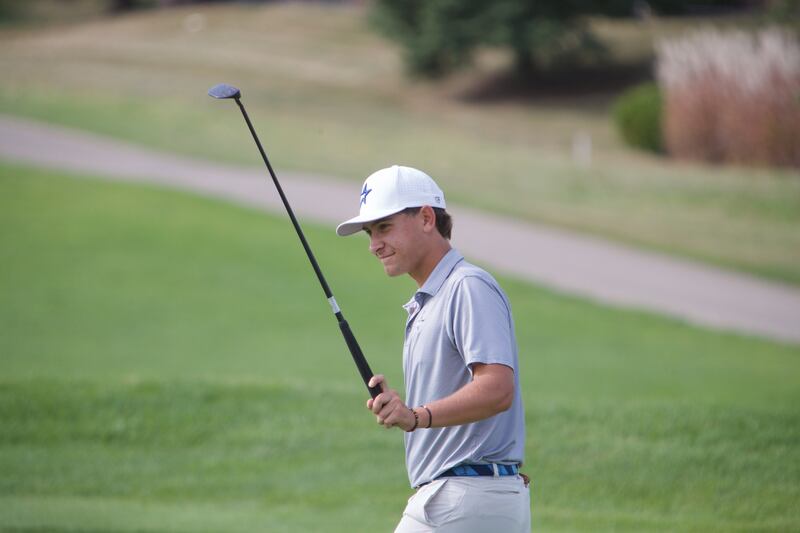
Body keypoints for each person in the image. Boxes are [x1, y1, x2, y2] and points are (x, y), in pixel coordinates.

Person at [336, 165, 530, 532]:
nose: (373, 244)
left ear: (426, 218)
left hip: (461, 499)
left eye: (384, 227)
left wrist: (416, 416)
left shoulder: (467, 286)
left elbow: (497, 389)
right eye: (369, 232)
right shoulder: (432, 301)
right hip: (476, 496)